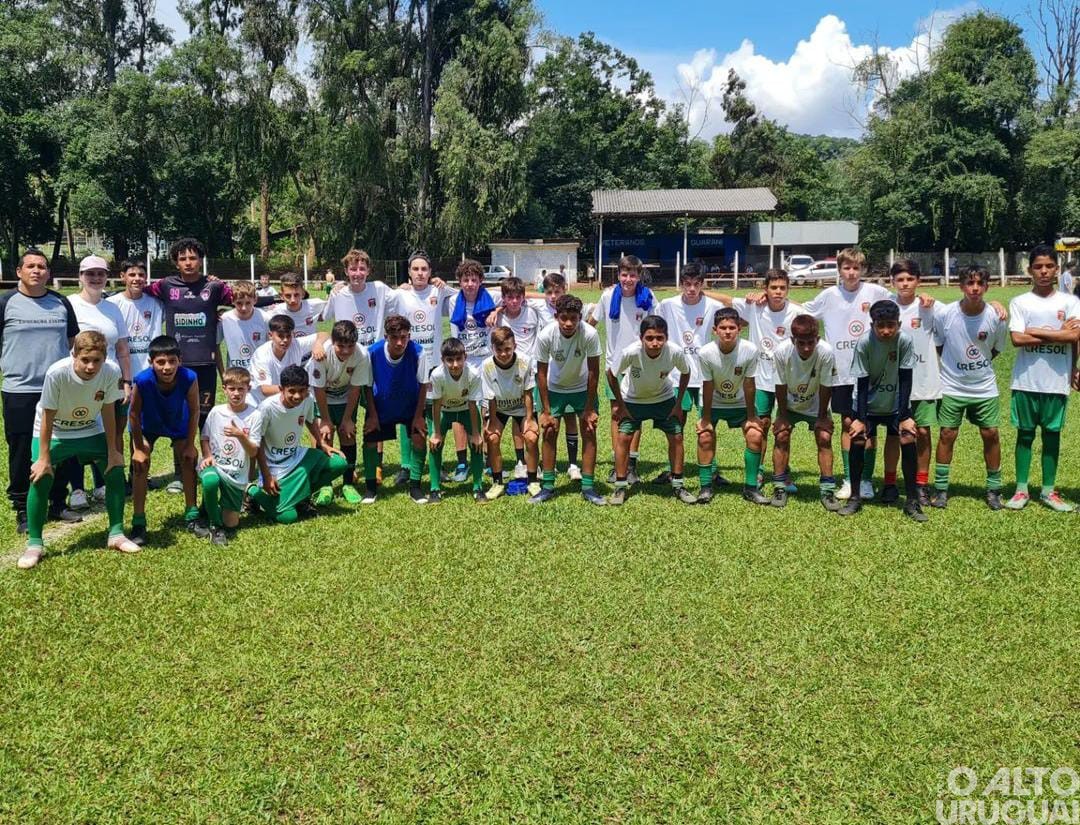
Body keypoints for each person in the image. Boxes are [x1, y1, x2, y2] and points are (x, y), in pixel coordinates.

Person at [20, 331, 139, 569]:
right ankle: (35, 544)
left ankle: (116, 534)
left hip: (89, 427)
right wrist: (44, 458)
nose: (90, 366)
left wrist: (113, 449)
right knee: (40, 477)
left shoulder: (111, 371)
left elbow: (107, 410)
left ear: (105, 358)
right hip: (54, 430)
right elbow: (47, 416)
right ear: (74, 355)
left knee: (114, 469)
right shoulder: (57, 373)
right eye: (85, 360)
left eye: (96, 360)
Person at [1, 248, 83, 534]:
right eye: (31, 266)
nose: (37, 271)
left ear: (48, 272)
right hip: (19, 390)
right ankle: (23, 508)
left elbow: (73, 342)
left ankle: (57, 502)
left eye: (42, 266)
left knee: (59, 445)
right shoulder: (6, 303)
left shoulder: (60, 302)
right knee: (22, 450)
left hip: (57, 388)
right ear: (19, 272)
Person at [801, 247, 892, 500]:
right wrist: (768, 300)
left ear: (863, 270)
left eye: (856, 268)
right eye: (846, 268)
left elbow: (904, 305)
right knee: (847, 424)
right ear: (839, 270)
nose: (851, 273)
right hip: (840, 373)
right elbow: (799, 311)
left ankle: (865, 481)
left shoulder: (876, 293)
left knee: (869, 427)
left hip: (870, 373)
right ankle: (849, 479)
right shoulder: (828, 295)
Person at [1005, 244, 1080, 511]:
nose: (1044, 271)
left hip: (1057, 380)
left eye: (1049, 266)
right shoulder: (1020, 302)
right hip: (1026, 380)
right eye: (1038, 266)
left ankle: (1049, 491)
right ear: (1030, 270)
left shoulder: (1070, 302)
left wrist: (1035, 331)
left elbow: (1074, 337)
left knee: (1052, 435)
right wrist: (1058, 332)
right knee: (1024, 435)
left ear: (1057, 270)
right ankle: (1021, 490)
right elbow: (1017, 338)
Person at [838, 300, 926, 521]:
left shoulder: (904, 340)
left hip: (895, 403)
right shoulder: (864, 343)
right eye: (880, 325)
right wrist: (860, 418)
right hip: (868, 402)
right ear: (872, 324)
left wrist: (905, 415)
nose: (886, 330)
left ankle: (912, 501)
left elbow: (906, 378)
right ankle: (855, 497)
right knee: (858, 438)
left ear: (898, 323)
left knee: (908, 438)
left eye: (891, 325)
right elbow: (862, 381)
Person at [930, 266, 1008, 510]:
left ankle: (994, 489)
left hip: (984, 387)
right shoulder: (946, 314)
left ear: (987, 287)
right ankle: (941, 489)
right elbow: (939, 345)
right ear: (961, 286)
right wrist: (955, 368)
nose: (975, 288)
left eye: (979, 283)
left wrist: (976, 367)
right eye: (969, 283)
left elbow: (995, 349)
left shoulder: (997, 316)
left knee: (990, 434)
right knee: (947, 434)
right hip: (952, 386)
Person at [723, 268, 803, 492]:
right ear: (765, 289)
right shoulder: (754, 307)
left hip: (788, 380)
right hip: (760, 379)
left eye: (782, 288)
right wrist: (700, 292)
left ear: (788, 289)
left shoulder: (795, 312)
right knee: (761, 425)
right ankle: (758, 472)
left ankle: (782, 473)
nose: (778, 292)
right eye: (773, 288)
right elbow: (727, 300)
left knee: (784, 428)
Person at [607, 316, 697, 505]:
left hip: (663, 398)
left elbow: (686, 372)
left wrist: (678, 402)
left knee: (677, 436)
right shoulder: (631, 352)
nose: (655, 343)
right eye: (649, 338)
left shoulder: (674, 352)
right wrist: (621, 405)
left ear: (666, 337)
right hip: (633, 399)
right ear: (641, 338)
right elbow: (611, 374)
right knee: (624, 438)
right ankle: (620, 486)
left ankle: (678, 484)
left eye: (659, 338)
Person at [67, 255, 135, 507]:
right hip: (79, 381)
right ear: (80, 276)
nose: (96, 278)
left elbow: (123, 348)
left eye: (100, 273)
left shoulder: (112, 307)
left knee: (107, 431)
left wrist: (126, 380)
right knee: (76, 429)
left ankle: (101, 484)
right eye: (90, 273)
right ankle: (76, 488)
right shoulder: (70, 304)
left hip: (110, 382)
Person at [385, 251, 456, 486]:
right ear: (409, 272)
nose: (420, 273)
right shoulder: (399, 295)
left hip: (434, 364)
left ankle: (437, 463)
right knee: (408, 417)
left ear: (431, 272)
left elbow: (468, 295)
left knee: (435, 416)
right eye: (415, 269)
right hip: (409, 365)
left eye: (424, 269)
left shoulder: (439, 291)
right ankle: (406, 467)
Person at [529, 294, 605, 505]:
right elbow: (541, 374)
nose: (569, 323)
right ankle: (548, 487)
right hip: (554, 387)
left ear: (580, 317)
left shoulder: (589, 334)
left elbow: (593, 372)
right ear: (556, 316)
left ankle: (588, 486)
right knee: (550, 431)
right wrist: (545, 411)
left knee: (589, 430)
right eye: (564, 318)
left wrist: (589, 408)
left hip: (581, 387)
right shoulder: (546, 335)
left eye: (573, 318)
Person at [249, 365, 349, 524]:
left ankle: (301, 497)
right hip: (275, 466)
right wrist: (266, 475)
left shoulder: (307, 400)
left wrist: (322, 444)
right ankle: (252, 491)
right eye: (292, 391)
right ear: (281, 389)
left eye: (302, 390)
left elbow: (310, 421)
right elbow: (257, 443)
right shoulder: (266, 408)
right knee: (287, 516)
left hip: (296, 457)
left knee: (339, 463)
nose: (297, 396)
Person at [128, 335, 203, 544]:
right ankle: (139, 522)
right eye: (161, 362)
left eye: (172, 361)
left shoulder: (189, 377)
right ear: (151, 362)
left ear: (180, 360)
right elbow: (133, 415)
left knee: (188, 460)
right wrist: (138, 448)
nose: (167, 367)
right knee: (140, 465)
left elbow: (195, 410)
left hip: (176, 420)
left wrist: (190, 444)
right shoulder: (142, 380)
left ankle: (192, 514)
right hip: (148, 424)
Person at [590, 254, 656, 484]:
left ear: (639, 276)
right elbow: (592, 324)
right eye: (624, 274)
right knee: (617, 414)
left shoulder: (648, 298)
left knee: (635, 415)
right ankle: (618, 463)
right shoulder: (607, 296)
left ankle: (632, 465)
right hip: (615, 367)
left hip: (640, 365)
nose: (628, 279)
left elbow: (656, 328)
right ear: (618, 275)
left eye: (633, 274)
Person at [657, 263, 723, 484]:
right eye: (687, 284)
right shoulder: (667, 305)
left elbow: (735, 319)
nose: (692, 289)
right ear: (681, 284)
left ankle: (712, 470)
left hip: (705, 376)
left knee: (708, 423)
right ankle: (672, 468)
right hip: (678, 375)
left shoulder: (713, 306)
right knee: (676, 424)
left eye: (696, 284)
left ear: (703, 284)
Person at [696, 307, 769, 506]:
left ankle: (751, 487)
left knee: (755, 435)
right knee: (704, 436)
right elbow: (708, 385)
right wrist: (706, 419)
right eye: (723, 328)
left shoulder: (750, 350)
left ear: (739, 329)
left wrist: (752, 416)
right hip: (715, 403)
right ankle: (705, 487)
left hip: (740, 403)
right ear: (715, 330)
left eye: (732, 327)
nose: (727, 331)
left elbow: (749, 383)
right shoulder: (706, 353)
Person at [881, 260, 940, 505]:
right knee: (894, 434)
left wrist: (997, 305)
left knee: (923, 432)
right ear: (892, 282)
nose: (905, 284)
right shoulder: (886, 307)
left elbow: (963, 312)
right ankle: (890, 483)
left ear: (918, 280)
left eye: (910, 279)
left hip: (925, 381)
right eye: (900, 280)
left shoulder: (930, 307)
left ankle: (921, 484)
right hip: (894, 384)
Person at [769, 314, 840, 510]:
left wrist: (822, 417)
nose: (807, 348)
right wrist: (782, 416)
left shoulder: (826, 352)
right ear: (793, 340)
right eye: (801, 343)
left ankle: (827, 490)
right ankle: (779, 486)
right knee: (781, 436)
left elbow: (826, 386)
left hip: (816, 401)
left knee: (824, 437)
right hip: (789, 402)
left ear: (817, 339)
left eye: (811, 343)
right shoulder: (782, 352)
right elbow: (780, 384)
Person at [361, 314, 429, 505]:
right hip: (381, 406)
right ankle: (370, 488)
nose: (400, 343)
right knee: (370, 442)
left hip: (410, 405)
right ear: (386, 337)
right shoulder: (372, 353)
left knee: (419, 438)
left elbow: (423, 385)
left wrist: (418, 417)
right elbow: (367, 386)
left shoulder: (419, 352)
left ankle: (415, 486)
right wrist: (372, 416)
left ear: (409, 336)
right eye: (394, 338)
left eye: (404, 337)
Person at [309, 320, 371, 505]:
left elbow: (355, 388)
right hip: (321, 397)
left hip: (345, 398)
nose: (345, 351)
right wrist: (326, 420)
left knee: (348, 434)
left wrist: (347, 419)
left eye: (350, 346)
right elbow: (318, 389)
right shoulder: (321, 354)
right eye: (340, 346)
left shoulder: (362, 355)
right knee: (325, 436)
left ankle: (347, 484)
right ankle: (325, 485)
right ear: (333, 342)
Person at [528, 271, 582, 480]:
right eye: (548, 292)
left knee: (570, 417)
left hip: (568, 372)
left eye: (557, 292)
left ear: (564, 290)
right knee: (547, 419)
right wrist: (497, 308)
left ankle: (572, 464)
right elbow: (513, 295)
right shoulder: (538, 307)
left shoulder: (572, 310)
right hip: (545, 374)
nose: (553, 297)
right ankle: (546, 464)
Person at [199, 367, 262, 546]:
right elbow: (204, 437)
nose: (236, 393)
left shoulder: (255, 415)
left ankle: (208, 506)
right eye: (232, 388)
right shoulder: (216, 412)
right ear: (224, 389)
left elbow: (253, 452)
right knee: (210, 481)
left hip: (236, 475)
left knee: (232, 523)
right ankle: (214, 526)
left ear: (248, 389)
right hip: (216, 466)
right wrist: (207, 456)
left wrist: (240, 435)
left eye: (241, 389)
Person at [448, 259, 497, 480]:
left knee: (485, 411)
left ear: (480, 281)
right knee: (461, 411)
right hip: (462, 362)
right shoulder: (452, 301)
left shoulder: (492, 299)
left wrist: (500, 309)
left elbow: (519, 294)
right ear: (459, 282)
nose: (469, 284)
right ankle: (461, 463)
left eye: (474, 280)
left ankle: (486, 458)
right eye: (465, 280)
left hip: (486, 361)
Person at [491, 276, 542, 480]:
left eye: (517, 297)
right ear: (503, 298)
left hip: (530, 372)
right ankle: (520, 461)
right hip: (506, 372)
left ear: (523, 297)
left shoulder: (533, 311)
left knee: (529, 416)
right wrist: (496, 310)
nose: (513, 301)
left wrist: (527, 294)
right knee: (513, 414)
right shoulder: (498, 316)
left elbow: (549, 296)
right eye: (509, 297)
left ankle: (533, 463)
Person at [426, 338, 486, 503]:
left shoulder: (473, 374)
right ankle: (434, 489)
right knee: (435, 444)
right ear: (442, 360)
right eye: (449, 360)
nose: (454, 364)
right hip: (445, 410)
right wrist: (436, 433)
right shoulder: (437, 375)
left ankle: (478, 487)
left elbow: (473, 404)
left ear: (465, 357)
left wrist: (475, 433)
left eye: (458, 359)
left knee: (476, 444)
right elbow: (436, 405)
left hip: (466, 409)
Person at [482, 327, 540, 498]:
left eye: (507, 349)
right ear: (492, 348)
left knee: (531, 437)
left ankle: (533, 480)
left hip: (521, 406)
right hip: (499, 407)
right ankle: (497, 482)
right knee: (492, 438)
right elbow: (490, 397)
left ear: (514, 345)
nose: (503, 353)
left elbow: (528, 392)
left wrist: (530, 419)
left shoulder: (525, 361)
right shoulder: (486, 365)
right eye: (498, 350)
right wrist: (491, 423)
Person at [107, 259, 163, 380]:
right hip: (120, 372)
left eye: (141, 275)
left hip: (150, 372)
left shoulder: (156, 303)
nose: (137, 278)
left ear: (146, 277)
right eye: (132, 275)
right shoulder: (111, 304)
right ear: (123, 276)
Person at [324, 250, 393, 347]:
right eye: (353, 269)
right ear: (346, 271)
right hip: (349, 353)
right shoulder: (337, 294)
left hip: (374, 352)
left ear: (368, 271)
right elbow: (324, 317)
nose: (358, 273)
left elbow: (401, 299)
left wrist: (405, 286)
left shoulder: (379, 289)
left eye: (362, 269)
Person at [249, 315, 323, 403]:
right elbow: (265, 389)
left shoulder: (296, 344)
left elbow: (323, 335)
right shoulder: (261, 355)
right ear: (270, 335)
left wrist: (318, 345)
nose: (285, 340)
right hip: (260, 403)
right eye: (280, 336)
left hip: (287, 398)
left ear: (293, 334)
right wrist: (296, 391)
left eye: (288, 336)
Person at [218, 280, 269, 371]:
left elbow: (271, 346)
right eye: (239, 303)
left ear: (255, 299)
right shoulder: (225, 319)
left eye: (248, 303)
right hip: (236, 376)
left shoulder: (265, 318)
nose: (244, 308)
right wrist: (223, 373)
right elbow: (216, 346)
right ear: (232, 300)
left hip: (260, 373)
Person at [273, 271, 326, 338]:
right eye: (288, 295)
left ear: (303, 293)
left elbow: (335, 306)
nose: (293, 300)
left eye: (296, 295)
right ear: (281, 296)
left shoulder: (316, 305)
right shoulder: (276, 312)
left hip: (310, 348)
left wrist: (338, 288)